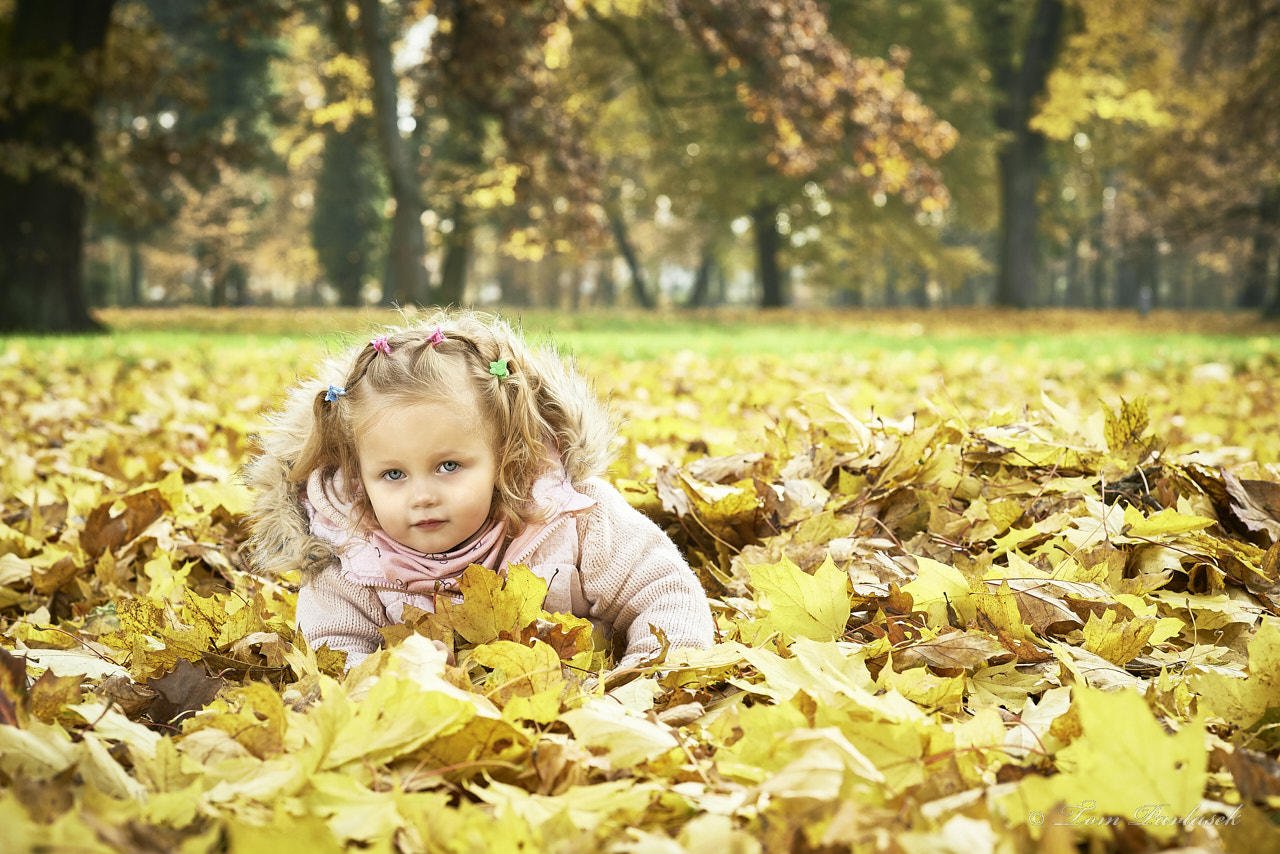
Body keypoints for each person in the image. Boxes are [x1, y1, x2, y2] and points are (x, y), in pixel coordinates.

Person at [243, 311, 715, 670]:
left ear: (504, 456)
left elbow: (664, 593)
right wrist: (389, 690)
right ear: (357, 474)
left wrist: (646, 680)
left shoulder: (573, 519)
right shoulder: (349, 558)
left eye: (448, 466)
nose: (421, 495)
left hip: (581, 708)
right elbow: (334, 650)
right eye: (393, 475)